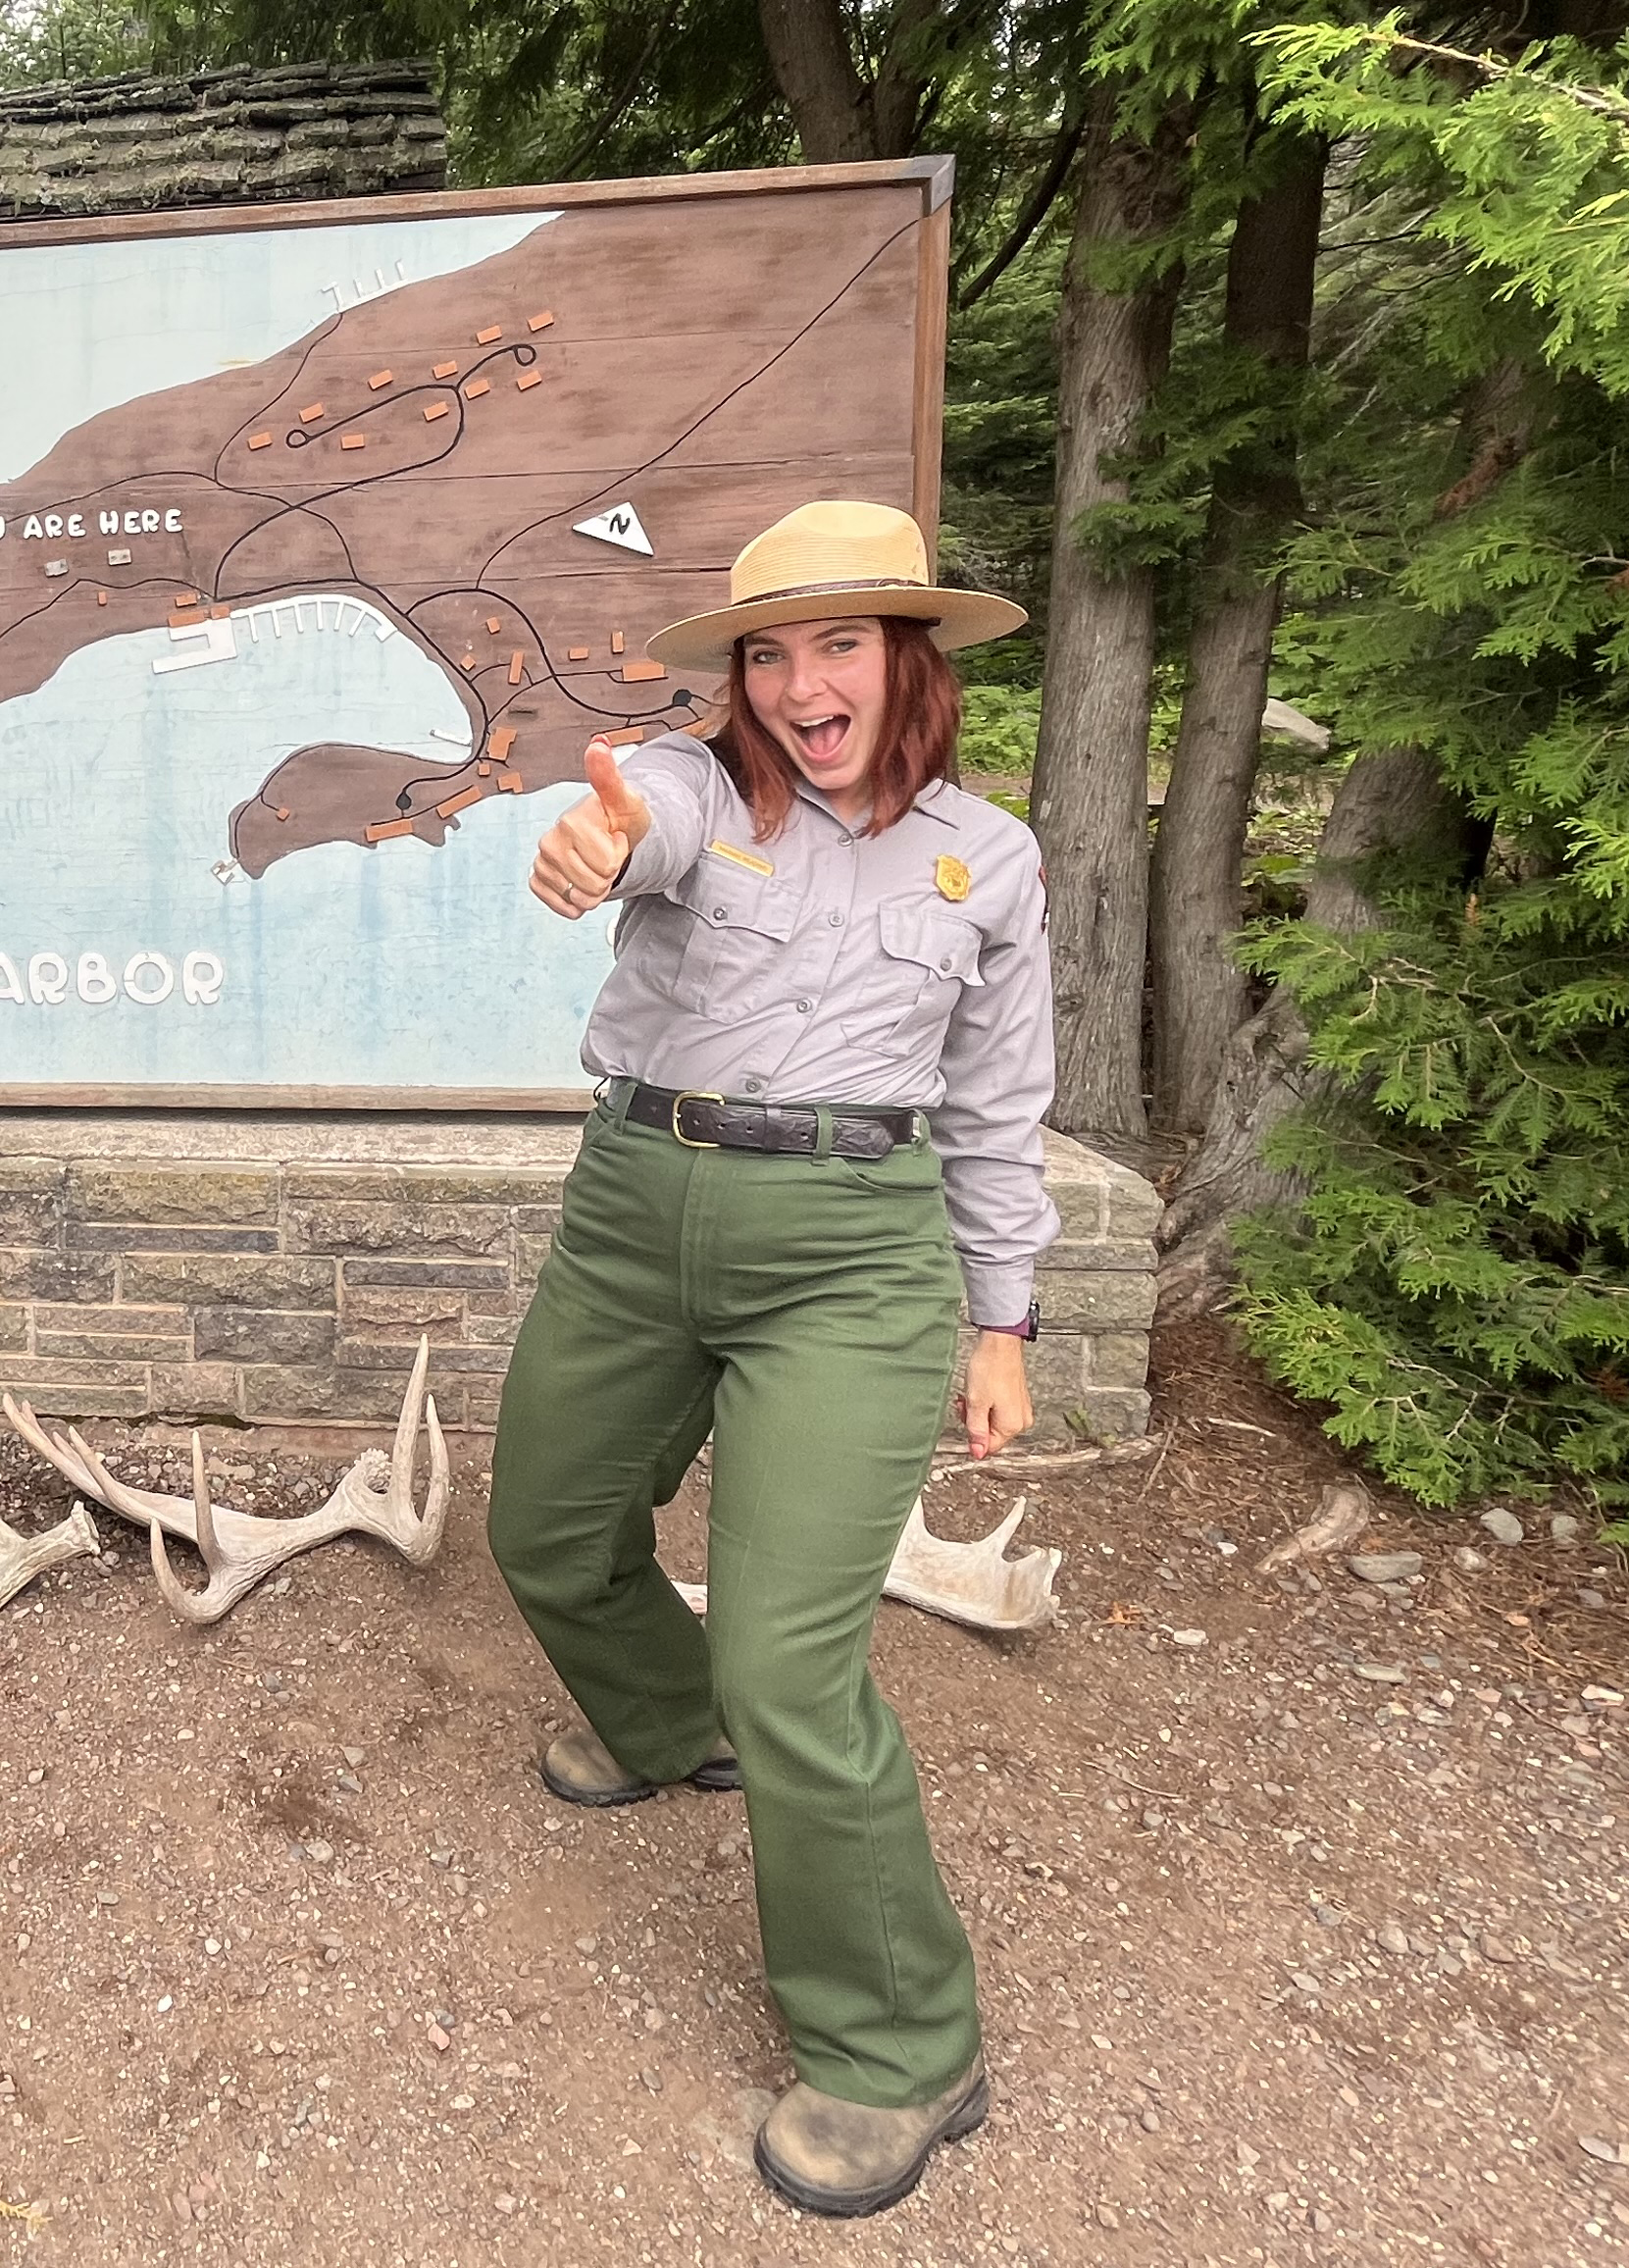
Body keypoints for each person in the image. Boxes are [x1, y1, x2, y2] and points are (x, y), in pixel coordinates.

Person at [491, 497, 1051, 2219]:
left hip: (853, 1256)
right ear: (735, 678)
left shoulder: (994, 860)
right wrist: (588, 845)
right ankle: (667, 1720)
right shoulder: (688, 792)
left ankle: (905, 2050)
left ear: (909, 660)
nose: (804, 680)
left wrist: (1003, 1320)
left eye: (840, 642)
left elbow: (1004, 1101)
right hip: (636, 1204)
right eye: (769, 650)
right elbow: (631, 821)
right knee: (546, 1532)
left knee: (795, 1676)